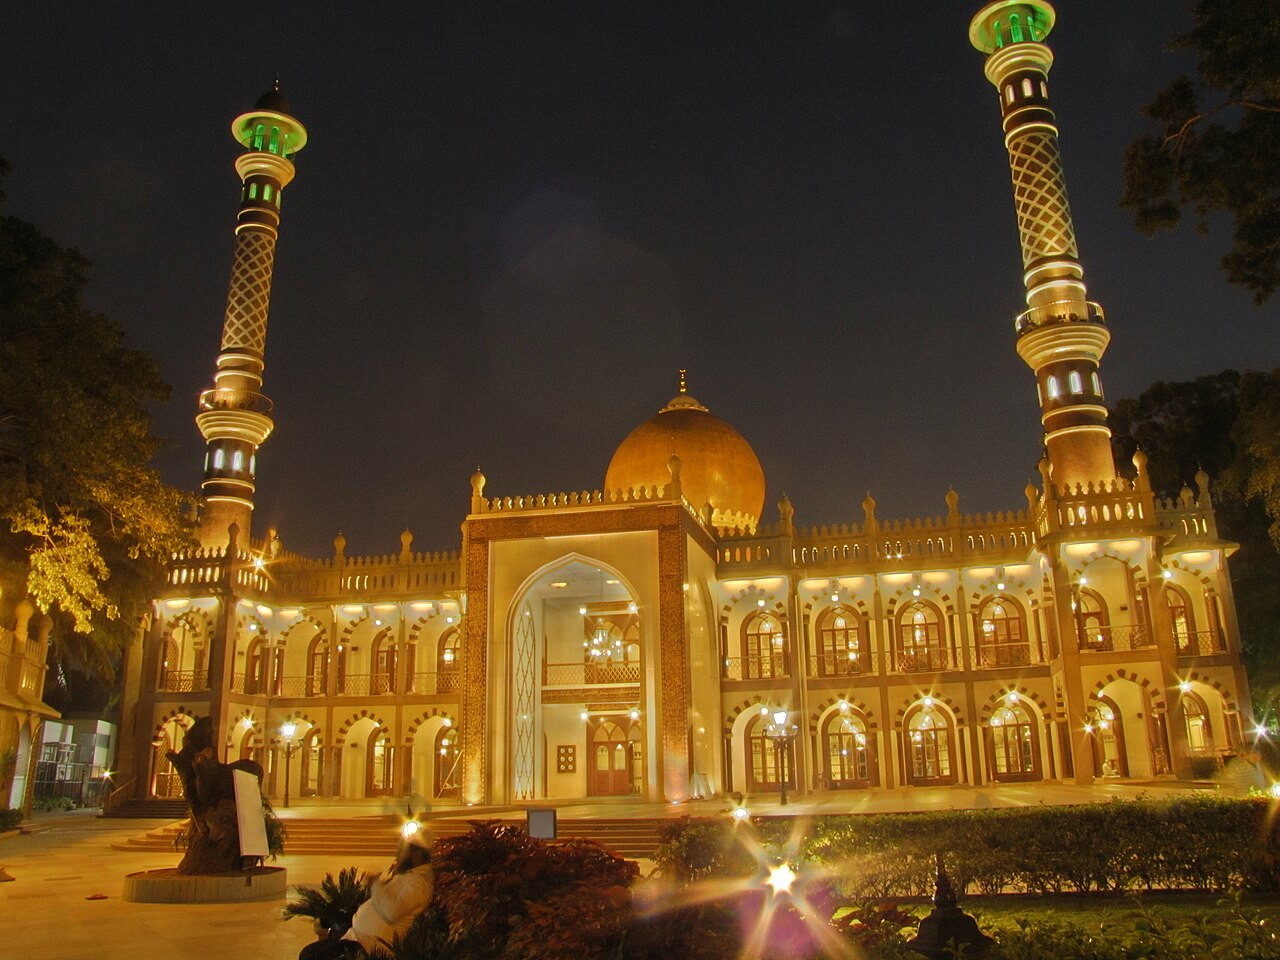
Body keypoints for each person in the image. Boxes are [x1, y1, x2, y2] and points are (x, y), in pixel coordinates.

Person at [299, 830, 434, 960]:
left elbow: (392, 912)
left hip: (368, 946)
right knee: (308, 953)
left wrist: (375, 885)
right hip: (356, 937)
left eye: (403, 851)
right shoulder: (408, 877)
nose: (398, 855)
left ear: (417, 856)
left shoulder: (419, 884)